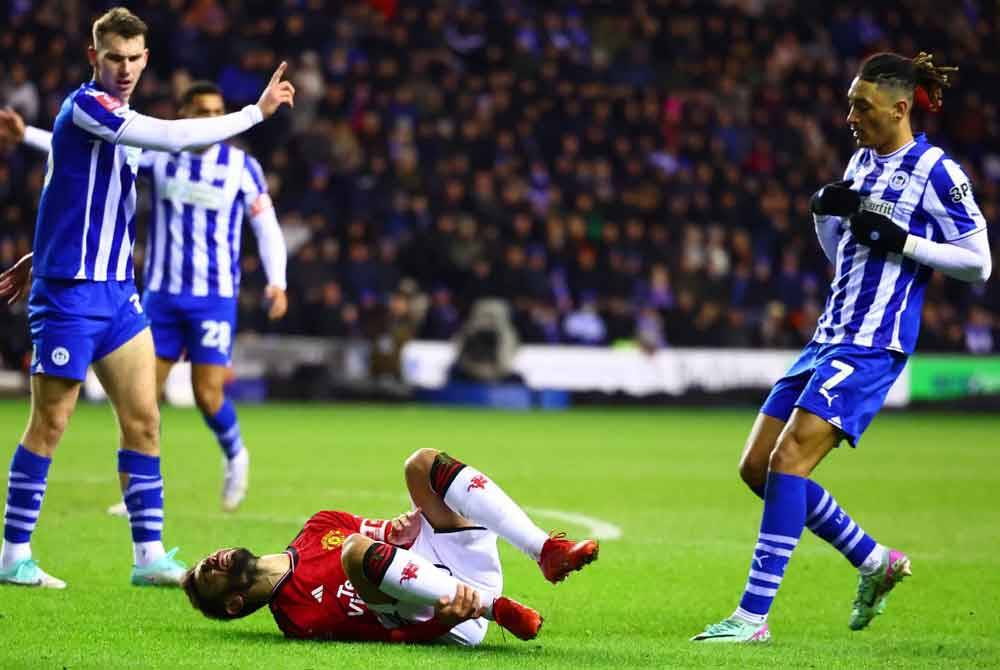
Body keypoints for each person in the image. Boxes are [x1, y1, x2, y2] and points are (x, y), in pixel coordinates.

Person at [693, 51, 991, 643]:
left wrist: (907, 241)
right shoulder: (860, 161)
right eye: (850, 103)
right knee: (758, 468)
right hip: (827, 335)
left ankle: (752, 618)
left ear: (900, 107)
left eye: (863, 105)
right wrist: (824, 220)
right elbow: (845, 259)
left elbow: (978, 263)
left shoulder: (937, 171)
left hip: (872, 343)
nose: (850, 114)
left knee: (789, 461)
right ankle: (875, 561)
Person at [0, 6, 294, 589]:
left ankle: (148, 555)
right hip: (71, 297)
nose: (126, 67)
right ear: (95, 58)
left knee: (145, 421)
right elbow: (174, 135)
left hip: (118, 293)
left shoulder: (119, 119)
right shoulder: (87, 107)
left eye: (135, 58)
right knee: (51, 421)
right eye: (115, 57)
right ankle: (12, 554)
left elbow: (65, 182)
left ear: (146, 59)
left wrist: (42, 250)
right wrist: (254, 113)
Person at [182, 448, 599, 644]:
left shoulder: (318, 526)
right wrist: (443, 623)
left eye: (204, 560)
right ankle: (500, 608)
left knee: (420, 464)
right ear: (233, 604)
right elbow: (394, 634)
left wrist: (398, 528)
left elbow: (390, 532)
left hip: (450, 559)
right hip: (453, 612)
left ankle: (545, 551)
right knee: (355, 554)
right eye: (207, 573)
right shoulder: (297, 619)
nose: (211, 560)